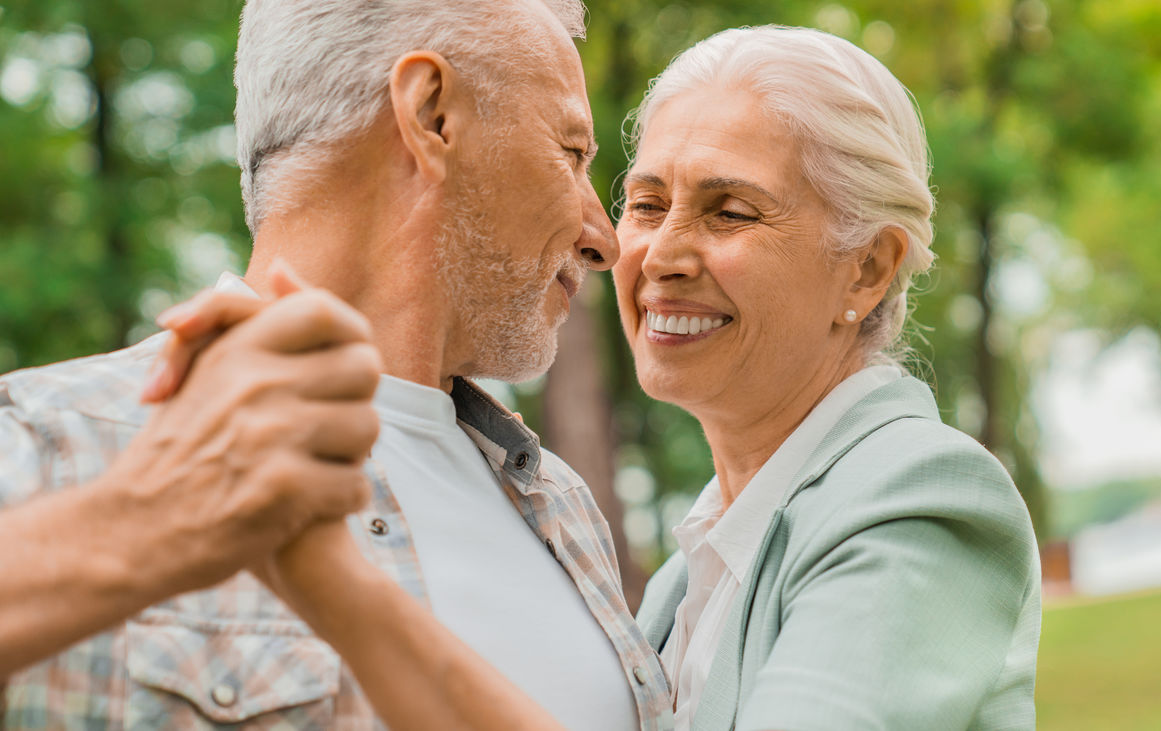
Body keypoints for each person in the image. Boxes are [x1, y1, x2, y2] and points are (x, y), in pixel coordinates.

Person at [158, 23, 1041, 731]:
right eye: (648, 201)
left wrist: (339, 589)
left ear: (868, 270)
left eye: (729, 210)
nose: (651, 251)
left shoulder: (920, 498)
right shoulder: (680, 579)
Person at [0, 0, 670, 728]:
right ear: (432, 114)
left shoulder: (563, 506)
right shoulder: (43, 443)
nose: (604, 239)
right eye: (571, 154)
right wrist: (135, 524)